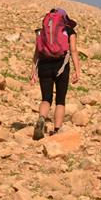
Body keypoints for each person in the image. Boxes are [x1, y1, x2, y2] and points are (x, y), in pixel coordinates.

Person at [31, 9, 81, 140]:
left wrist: (33, 71)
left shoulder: (42, 32)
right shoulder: (69, 31)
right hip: (62, 66)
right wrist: (77, 70)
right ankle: (57, 130)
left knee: (46, 98)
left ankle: (41, 118)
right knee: (60, 100)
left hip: (44, 66)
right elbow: (74, 51)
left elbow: (37, 52)